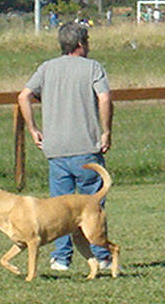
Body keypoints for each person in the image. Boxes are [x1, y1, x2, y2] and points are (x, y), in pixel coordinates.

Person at [16, 21, 114, 272]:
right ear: (81, 44)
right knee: (93, 205)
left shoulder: (47, 68)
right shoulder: (93, 67)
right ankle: (101, 256)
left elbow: (23, 96)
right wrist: (106, 131)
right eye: (88, 41)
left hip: (56, 149)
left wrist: (33, 128)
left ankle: (61, 258)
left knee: (58, 210)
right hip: (86, 147)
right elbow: (104, 98)